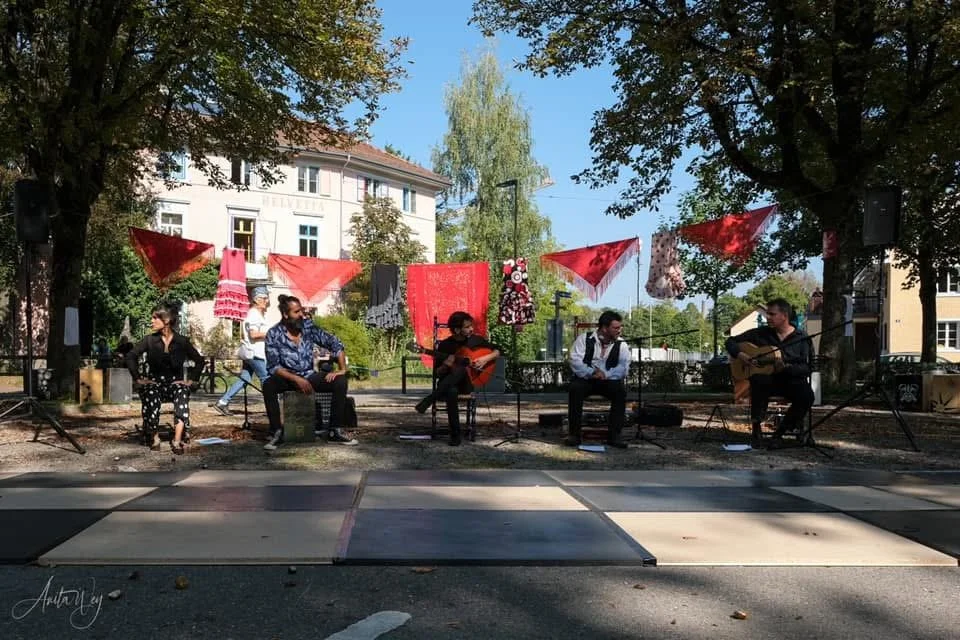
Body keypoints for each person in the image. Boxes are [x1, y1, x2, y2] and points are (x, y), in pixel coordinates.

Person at [261, 295, 357, 450]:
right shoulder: (273, 334)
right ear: (286, 315)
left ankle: (335, 430)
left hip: (308, 375)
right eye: (297, 312)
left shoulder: (308, 327)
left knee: (340, 382)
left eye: (302, 311)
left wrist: (342, 369)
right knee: (268, 385)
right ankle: (276, 432)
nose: (301, 315)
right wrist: (296, 380)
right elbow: (273, 367)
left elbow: (335, 343)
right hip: (287, 377)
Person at [725, 298, 815, 449]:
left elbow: (807, 367)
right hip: (766, 381)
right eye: (767, 314)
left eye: (772, 314)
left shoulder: (802, 338)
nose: (768, 318)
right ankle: (756, 430)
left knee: (807, 396)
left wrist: (786, 368)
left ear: (784, 316)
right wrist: (741, 355)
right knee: (759, 380)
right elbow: (730, 341)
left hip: (790, 381)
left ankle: (780, 433)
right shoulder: (761, 333)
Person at [125, 303, 203, 454]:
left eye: (155, 318)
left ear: (166, 320)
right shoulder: (149, 340)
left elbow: (199, 361)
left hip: (175, 382)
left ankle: (177, 440)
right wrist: (138, 378)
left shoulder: (181, 341)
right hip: (155, 382)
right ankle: (155, 438)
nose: (151, 321)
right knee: (151, 392)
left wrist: (191, 380)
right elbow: (131, 356)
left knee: (182, 391)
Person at [414, 311, 501, 446]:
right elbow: (437, 373)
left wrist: (484, 359)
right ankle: (455, 435)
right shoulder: (445, 345)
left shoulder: (476, 340)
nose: (471, 329)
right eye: (467, 327)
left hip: (467, 382)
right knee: (452, 391)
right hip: (449, 382)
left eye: (471, 326)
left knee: (461, 368)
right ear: (457, 329)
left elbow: (497, 351)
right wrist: (444, 366)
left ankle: (429, 399)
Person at [566, 310, 630, 448]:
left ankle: (615, 436)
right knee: (575, 389)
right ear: (605, 328)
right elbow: (575, 360)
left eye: (620, 327)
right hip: (587, 379)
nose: (620, 330)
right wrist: (592, 372)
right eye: (616, 328)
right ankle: (574, 435)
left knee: (620, 391)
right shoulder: (584, 339)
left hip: (609, 381)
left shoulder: (622, 344)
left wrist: (605, 375)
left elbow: (623, 368)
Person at [213, 287, 271, 416]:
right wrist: (271, 334)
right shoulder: (254, 314)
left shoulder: (256, 314)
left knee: (244, 379)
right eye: (265, 298)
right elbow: (254, 334)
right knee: (266, 380)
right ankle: (272, 408)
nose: (267, 301)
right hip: (255, 354)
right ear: (258, 300)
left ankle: (223, 402)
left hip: (250, 353)